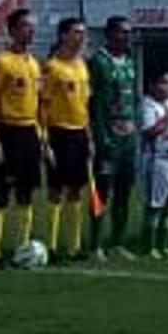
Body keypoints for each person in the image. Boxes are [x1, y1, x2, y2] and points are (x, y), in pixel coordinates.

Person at [0, 8, 46, 263]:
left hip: (30, 132)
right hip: (8, 131)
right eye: (24, 26)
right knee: (2, 193)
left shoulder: (34, 63)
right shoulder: (2, 62)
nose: (30, 30)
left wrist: (42, 138)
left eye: (32, 26)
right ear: (11, 30)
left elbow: (39, 104)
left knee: (26, 193)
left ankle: (22, 249)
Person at [87, 15, 143, 260]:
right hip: (106, 138)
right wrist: (95, 135)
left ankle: (117, 242)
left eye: (129, 32)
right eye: (122, 32)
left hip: (128, 139)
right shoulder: (98, 62)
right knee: (102, 193)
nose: (127, 36)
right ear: (109, 34)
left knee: (124, 192)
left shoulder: (130, 62)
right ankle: (95, 244)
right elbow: (90, 101)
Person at [40, 16, 95, 258]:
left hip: (79, 132)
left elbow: (84, 104)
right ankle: (51, 246)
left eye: (82, 33)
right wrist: (44, 139)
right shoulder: (52, 67)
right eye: (76, 32)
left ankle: (73, 246)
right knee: (56, 189)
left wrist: (89, 136)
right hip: (58, 132)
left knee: (76, 189)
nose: (81, 37)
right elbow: (42, 106)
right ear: (63, 35)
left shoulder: (82, 66)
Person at [138, 70, 168, 256]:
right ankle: (148, 246)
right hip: (157, 161)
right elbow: (149, 131)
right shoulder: (148, 105)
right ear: (152, 85)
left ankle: (163, 245)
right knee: (154, 205)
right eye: (163, 82)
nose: (167, 87)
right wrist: (167, 120)